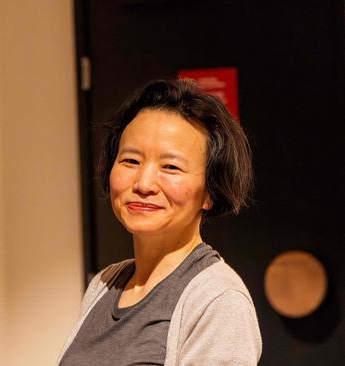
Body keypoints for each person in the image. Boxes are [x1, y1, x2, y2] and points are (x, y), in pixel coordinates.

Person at [58, 79, 262, 365]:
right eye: (130, 161)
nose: (143, 183)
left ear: (210, 192)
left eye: (171, 167)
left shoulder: (218, 299)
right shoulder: (104, 285)